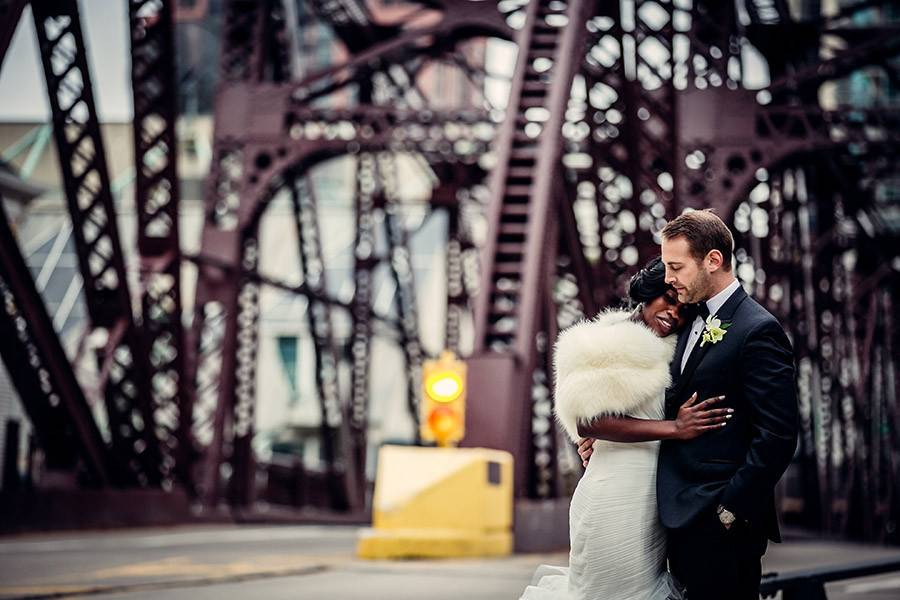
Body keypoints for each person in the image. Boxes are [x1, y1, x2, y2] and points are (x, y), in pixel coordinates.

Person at [519, 256, 732, 600]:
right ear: (647, 293)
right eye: (668, 299)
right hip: (612, 496)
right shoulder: (610, 341)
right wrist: (675, 428)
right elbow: (590, 421)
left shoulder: (669, 348)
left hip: (649, 501)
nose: (674, 313)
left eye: (684, 309)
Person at [648, 209, 799, 600]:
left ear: (713, 261)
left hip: (720, 522)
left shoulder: (757, 330)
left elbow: (778, 434)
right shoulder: (685, 321)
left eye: (676, 266)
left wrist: (729, 511)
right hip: (676, 517)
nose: (668, 278)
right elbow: (669, 403)